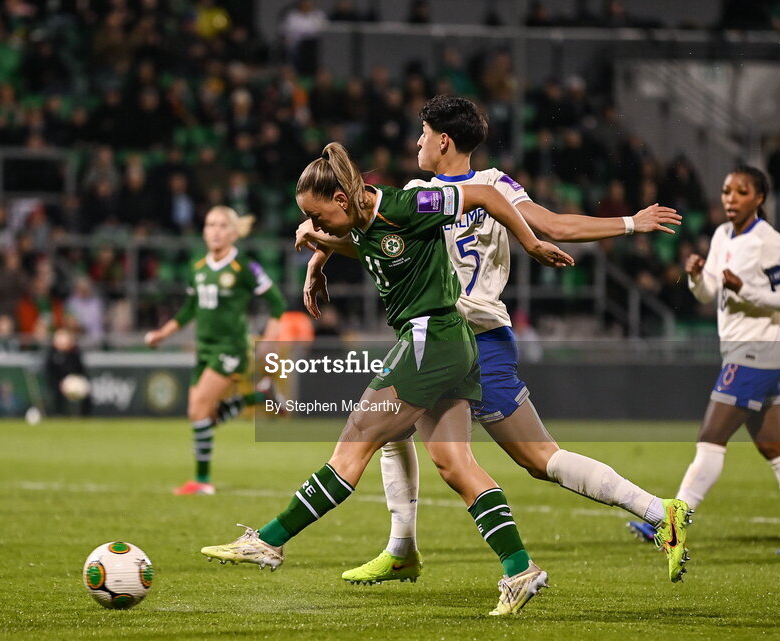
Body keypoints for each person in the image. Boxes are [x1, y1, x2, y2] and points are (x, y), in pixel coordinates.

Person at [297, 95, 692, 584]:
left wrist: (631, 222)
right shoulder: (455, 188)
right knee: (389, 428)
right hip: (442, 336)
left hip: (475, 337)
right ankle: (401, 548)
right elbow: (378, 243)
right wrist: (319, 255)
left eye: (422, 134)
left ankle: (658, 511)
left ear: (443, 140)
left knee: (536, 457)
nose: (416, 142)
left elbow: (551, 227)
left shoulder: (480, 188)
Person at [201, 142, 573, 616]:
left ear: (341, 199)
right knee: (456, 467)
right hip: (448, 344)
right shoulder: (361, 221)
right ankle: (520, 570)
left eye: (319, 217)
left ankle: (269, 541)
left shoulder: (404, 204)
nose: (317, 226)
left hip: (430, 339)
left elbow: (484, 196)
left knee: (355, 439)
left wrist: (530, 241)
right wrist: (319, 255)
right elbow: (361, 242)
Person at [628, 166, 780, 555]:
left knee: (710, 438)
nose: (730, 198)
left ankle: (672, 525)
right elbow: (707, 293)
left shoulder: (770, 242)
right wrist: (698, 277)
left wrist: (744, 288)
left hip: (757, 351)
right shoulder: (721, 236)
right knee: (773, 446)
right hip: (741, 350)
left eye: (741, 191)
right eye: (727, 190)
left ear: (759, 198)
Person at [145, 206, 287, 496]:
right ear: (204, 231)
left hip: (232, 347)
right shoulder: (198, 267)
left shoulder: (245, 267)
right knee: (202, 416)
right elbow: (188, 311)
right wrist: (163, 333)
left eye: (223, 225)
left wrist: (269, 339)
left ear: (234, 233)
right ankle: (261, 395)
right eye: (210, 224)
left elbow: (277, 303)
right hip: (205, 348)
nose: (216, 230)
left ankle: (202, 481)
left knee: (198, 410)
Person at [45, 327, 90, 417]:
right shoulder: (52, 354)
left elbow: (80, 370)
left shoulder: (74, 353)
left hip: (73, 382)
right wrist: (60, 383)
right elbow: (50, 374)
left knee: (83, 390)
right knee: (57, 395)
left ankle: (83, 415)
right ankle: (59, 414)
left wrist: (74, 380)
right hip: (57, 385)